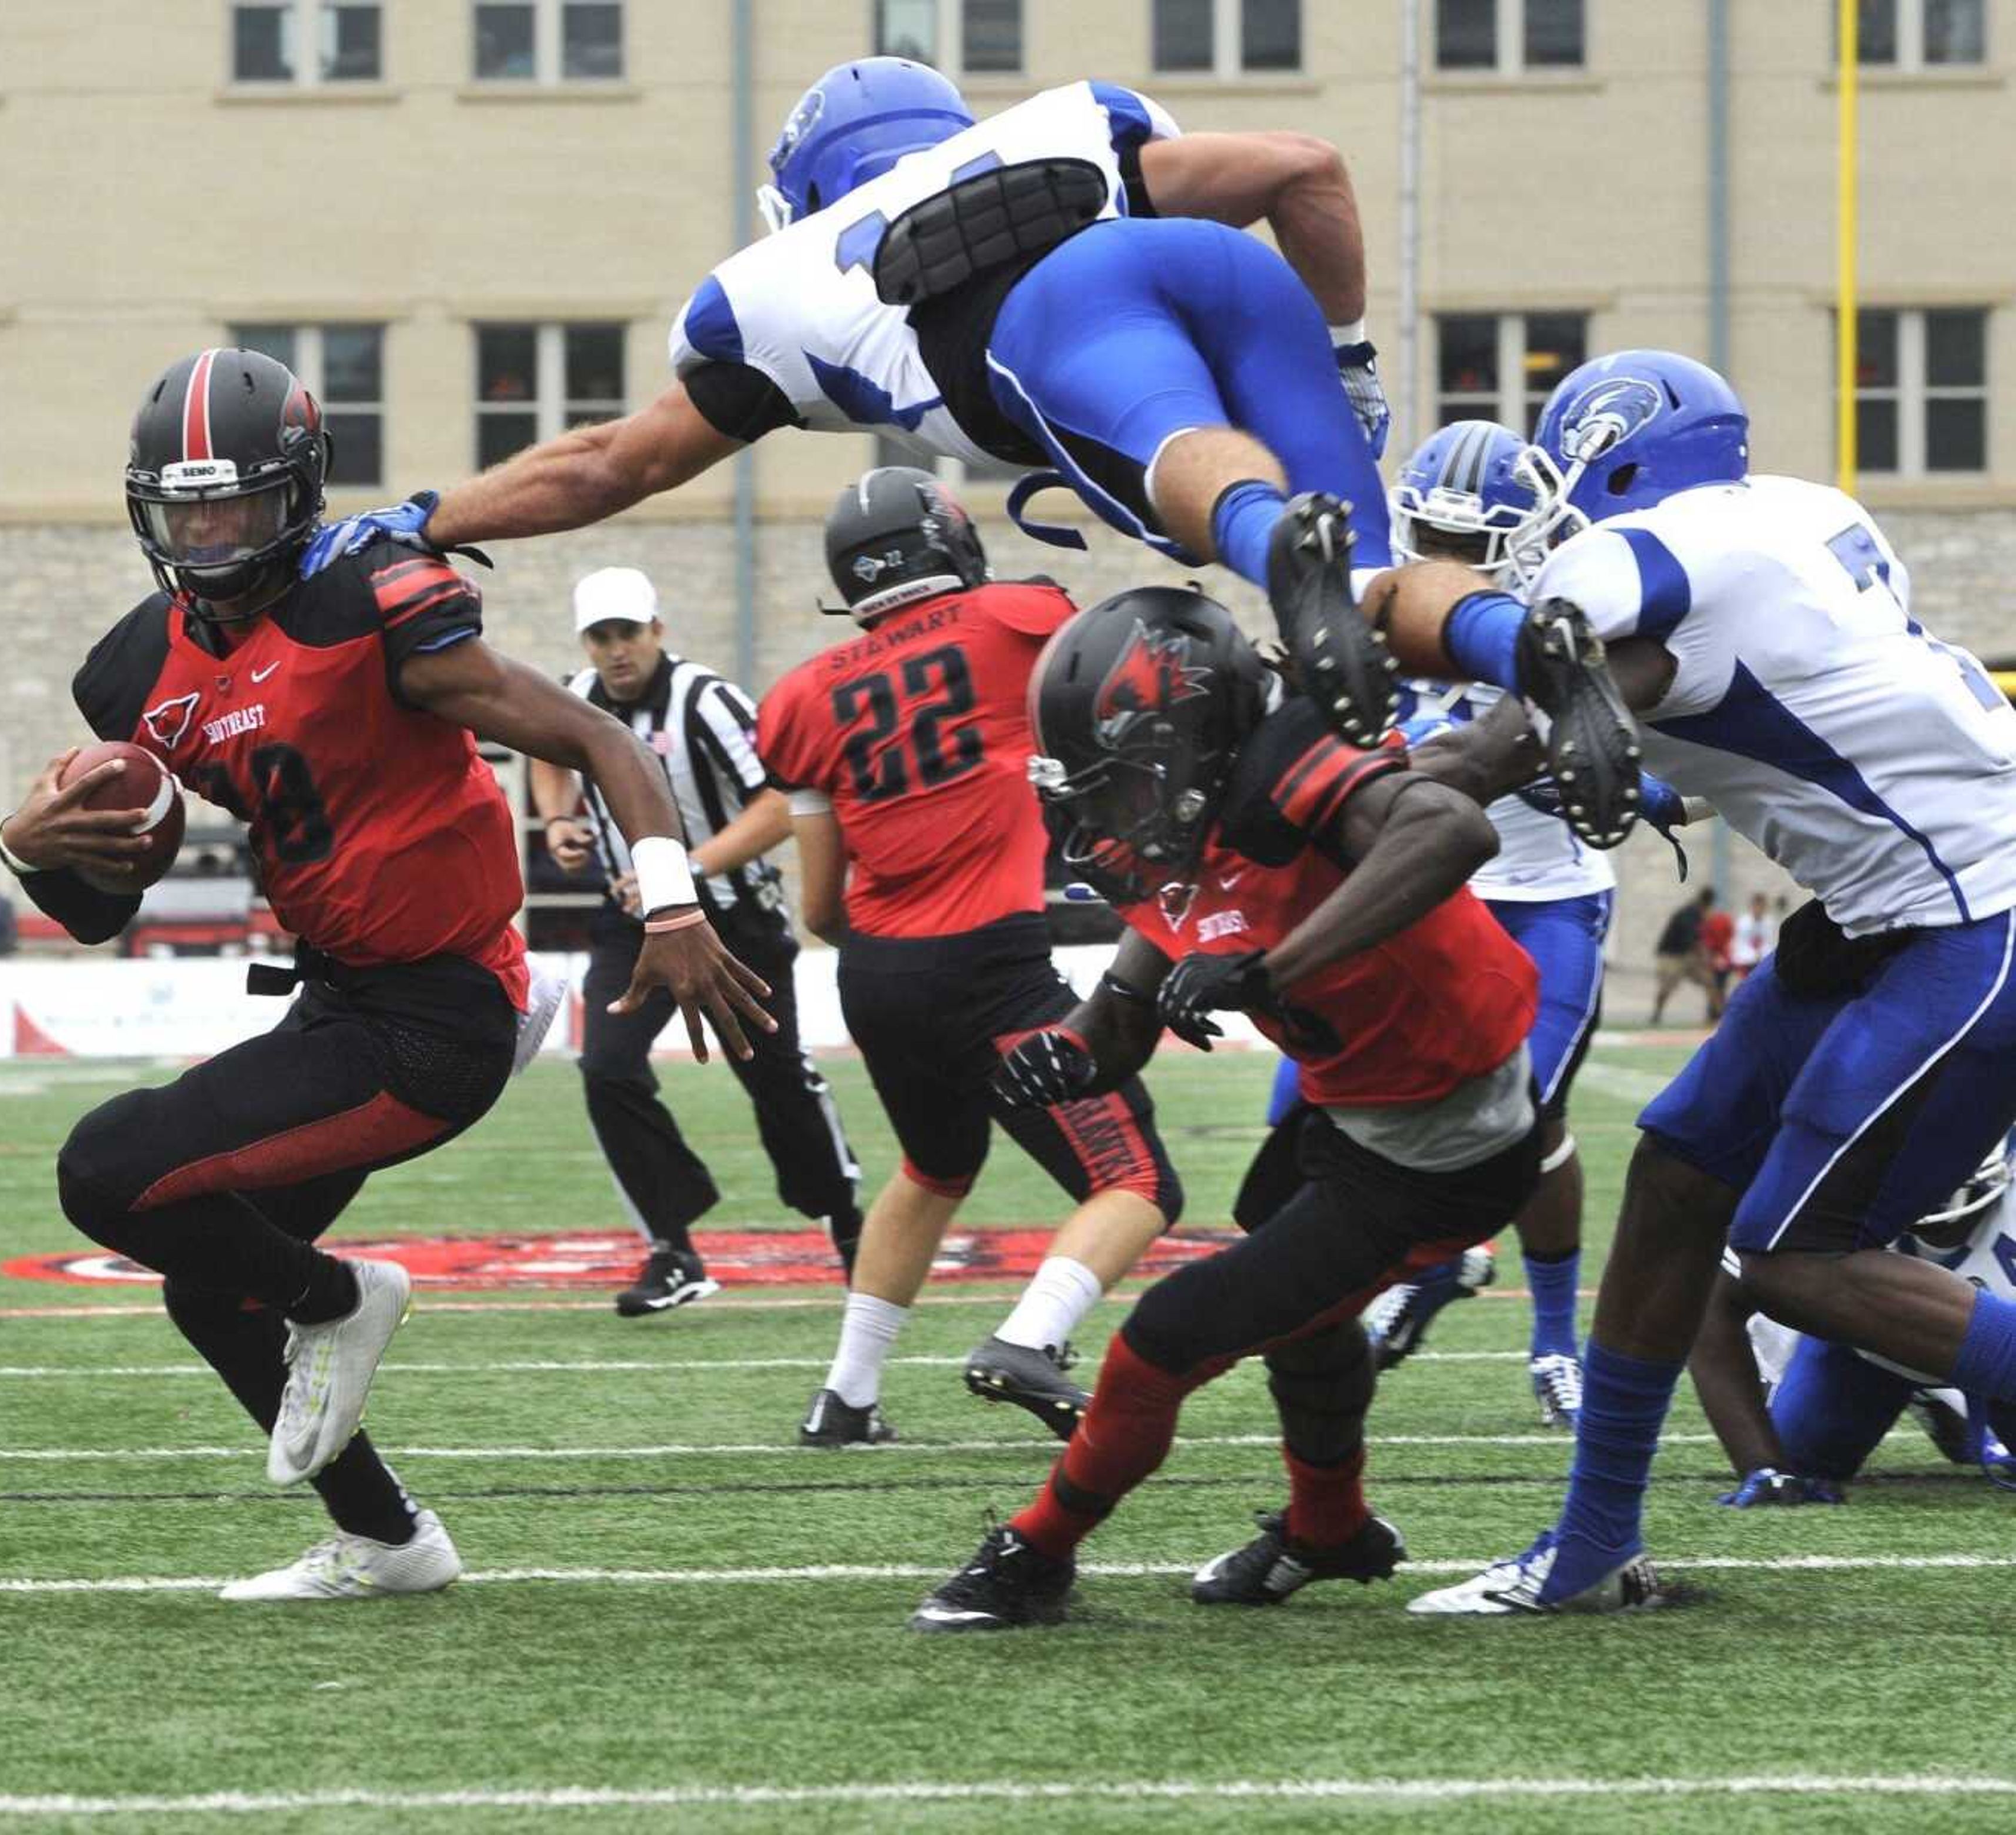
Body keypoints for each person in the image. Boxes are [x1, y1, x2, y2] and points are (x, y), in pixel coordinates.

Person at [295, 60, 1636, 806]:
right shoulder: (1069, 119)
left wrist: (431, 517)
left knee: (1200, 473)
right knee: (1369, 584)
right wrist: (1343, 354)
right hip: (1221, 270)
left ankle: (1263, 533)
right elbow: (1305, 167)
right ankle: (1527, 649)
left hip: (1064, 318)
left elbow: (609, 463)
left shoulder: (776, 282)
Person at [1, 347, 768, 1601]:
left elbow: (594, 736)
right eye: (185, 507)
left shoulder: (372, 604)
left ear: (295, 495)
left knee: (105, 1166)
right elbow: (99, 911)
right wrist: (30, 851)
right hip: (342, 995)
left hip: (441, 1010)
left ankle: (344, 1296)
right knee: (210, 1284)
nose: (207, 534)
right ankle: (388, 1535)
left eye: (235, 505)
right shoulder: (134, 671)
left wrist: (673, 898)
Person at [1345, 350, 2016, 1615]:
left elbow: (1519, 720)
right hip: (1884, 910)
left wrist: (1353, 675)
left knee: (1794, 1256)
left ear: (1618, 460)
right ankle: (1595, 1540)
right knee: (1673, 1181)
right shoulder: (1809, 512)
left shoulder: (1660, 564)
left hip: (1974, 915)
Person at [909, 580, 1548, 1630]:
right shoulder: (1173, 840)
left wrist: (1274, 968)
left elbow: (1450, 829)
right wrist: (1064, 1057)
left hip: (1441, 1140)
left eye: (1118, 787)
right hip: (1354, 1113)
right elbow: (1120, 1017)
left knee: (1163, 1341)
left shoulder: (1295, 784)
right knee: (1302, 1317)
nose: (1100, 818)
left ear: (1190, 748)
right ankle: (1331, 1529)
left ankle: (1034, 1555)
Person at [759, 470, 1183, 1445]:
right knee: (1137, 1181)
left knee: (935, 1165)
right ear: (947, 543)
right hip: (991, 964)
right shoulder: (1016, 616)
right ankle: (1030, 1339)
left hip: (874, 976)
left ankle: (847, 1397)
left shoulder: (798, 697)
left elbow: (820, 905)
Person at [1301, 421, 1707, 1429]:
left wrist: (1649, 787)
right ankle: (1400, 1272)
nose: (1447, 567)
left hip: (1546, 899)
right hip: (1417, 899)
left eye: (1472, 547)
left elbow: (1643, 759)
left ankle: (1548, 1336)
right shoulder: (1365, 617)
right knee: (1307, 1106)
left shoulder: (1556, 619)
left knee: (1528, 1120)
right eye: (1433, 537)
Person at [531, 564, 863, 1316]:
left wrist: (680, 868)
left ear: (657, 631)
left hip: (734, 921)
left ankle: (848, 1227)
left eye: (627, 632)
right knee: (606, 1067)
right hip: (634, 925)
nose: (616, 650)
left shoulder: (706, 700)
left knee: (778, 1082)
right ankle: (672, 1246)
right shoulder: (575, 698)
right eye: (600, 636)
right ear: (585, 642)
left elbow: (781, 801)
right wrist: (558, 821)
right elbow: (546, 752)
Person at [1689, 1140, 2016, 1500]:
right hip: (1865, 1349)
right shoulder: (1823, 1186)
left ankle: (1948, 1400)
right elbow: (1711, 1307)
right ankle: (1926, 1389)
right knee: (1798, 1459)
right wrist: (1762, 1465)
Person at [1649, 886, 1719, 1024]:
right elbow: (1692, 940)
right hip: (1673, 956)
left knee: (1709, 981)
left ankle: (1717, 1014)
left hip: (1687, 955)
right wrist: (1705, 956)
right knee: (1667, 987)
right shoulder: (1689, 914)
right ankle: (1657, 1014)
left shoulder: (1697, 914)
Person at [1729, 890, 1774, 983]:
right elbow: (1739, 944)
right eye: (1757, 906)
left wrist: (1761, 954)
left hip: (1762, 962)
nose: (1759, 909)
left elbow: (1769, 943)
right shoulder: (1743, 923)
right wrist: (1753, 955)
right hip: (1746, 962)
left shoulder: (1769, 923)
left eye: (1762, 906)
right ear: (1752, 906)